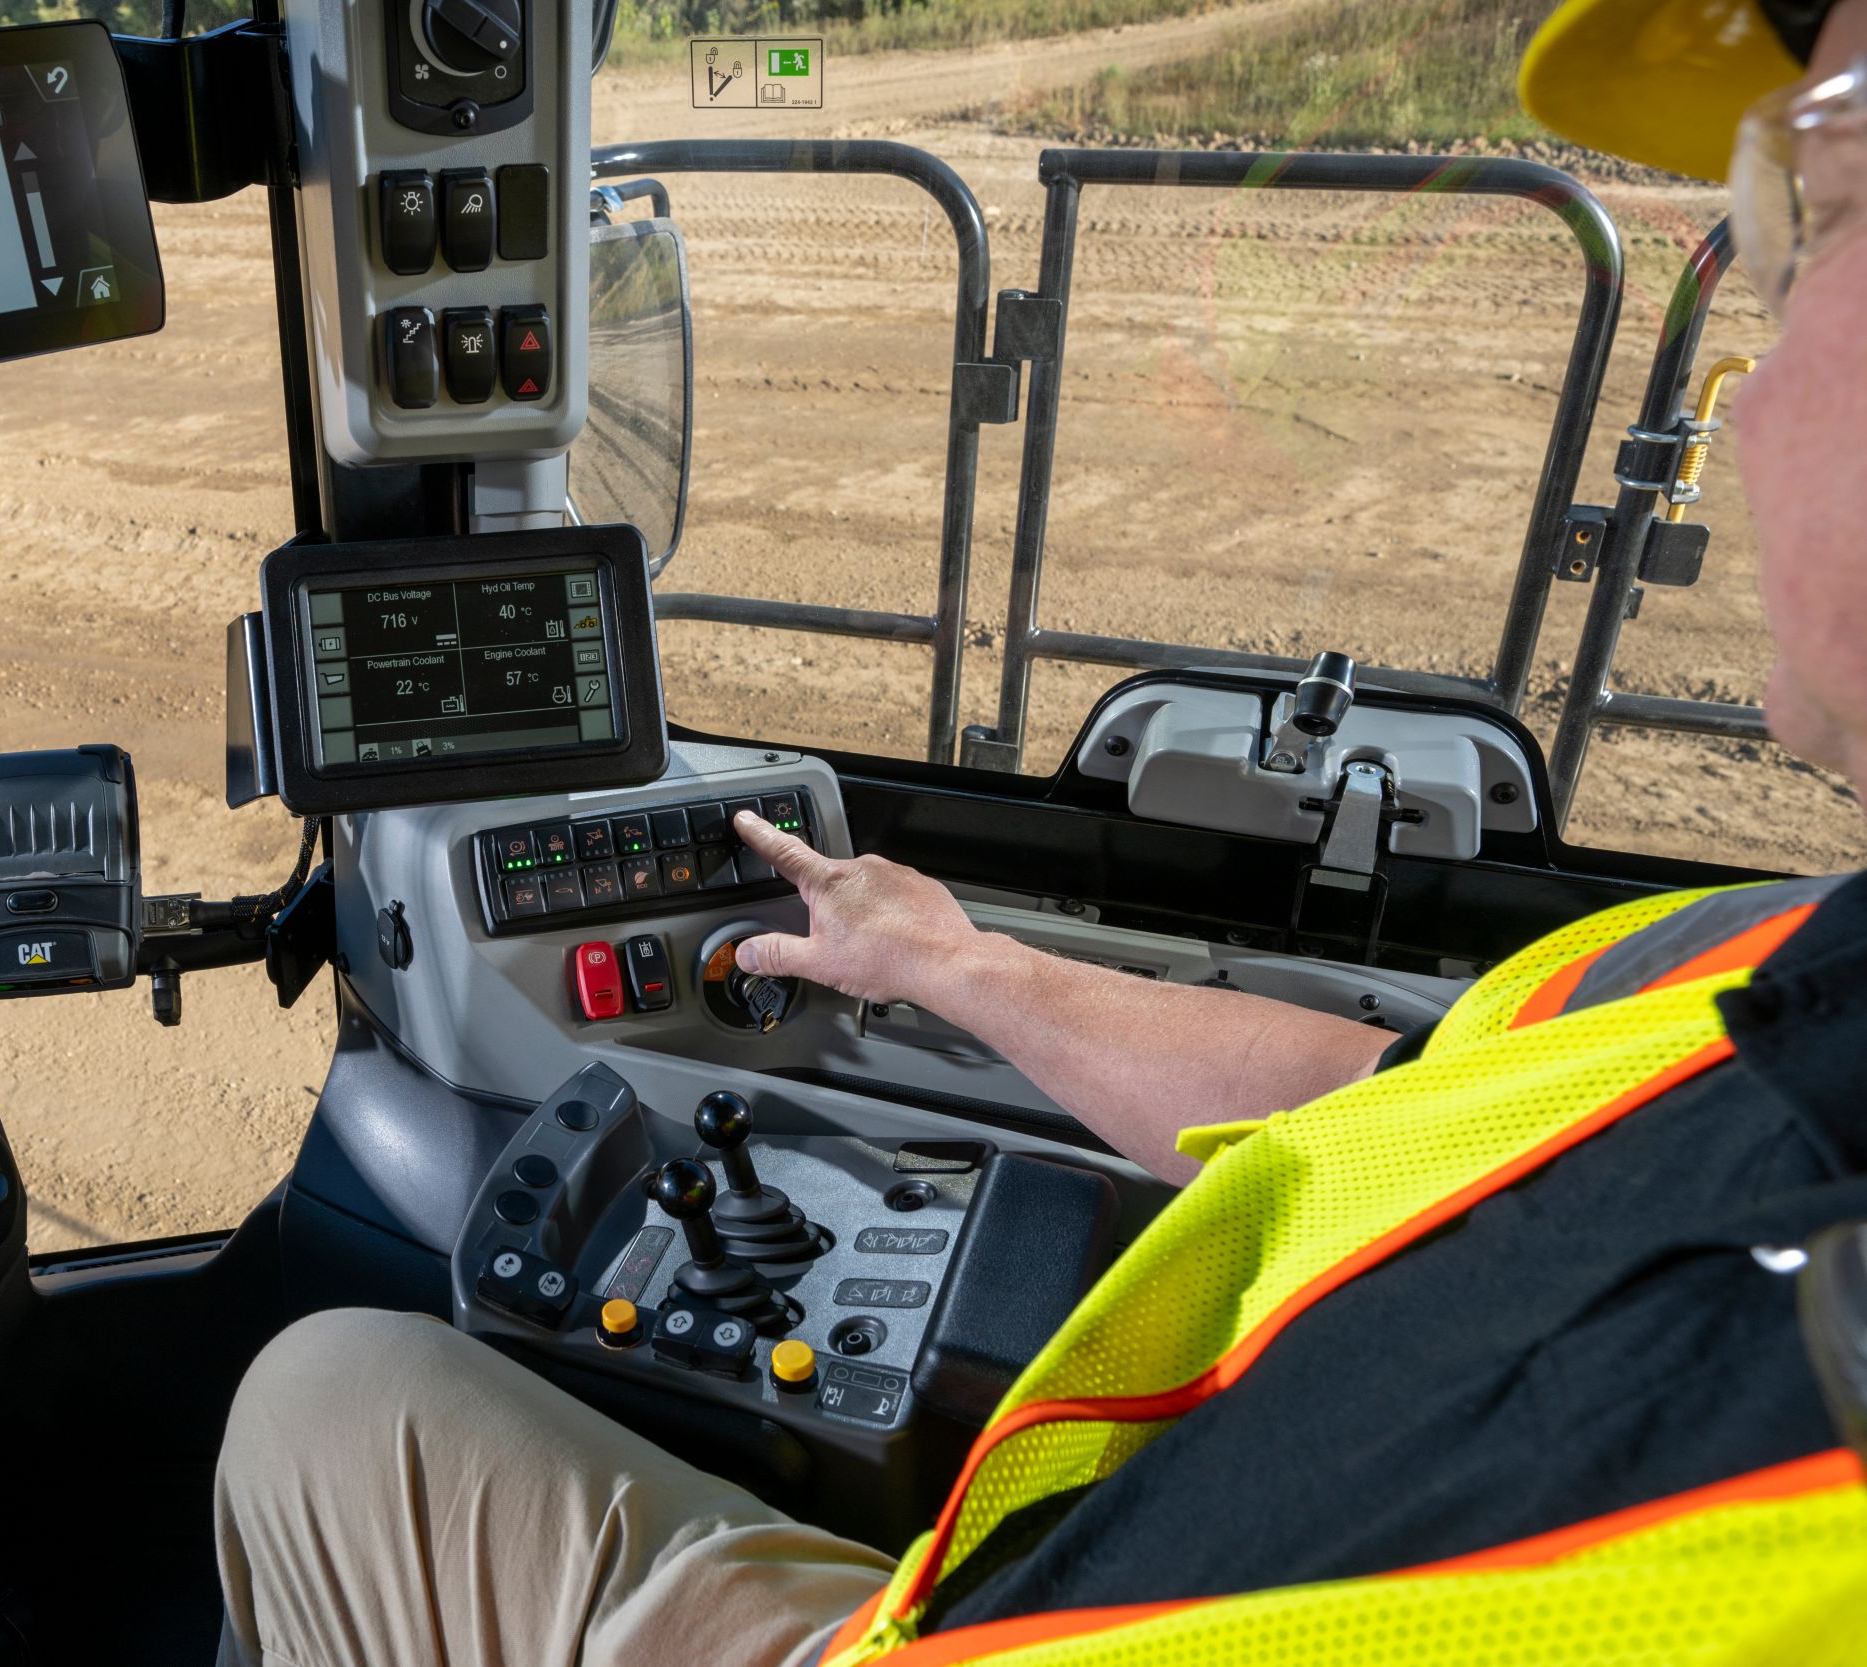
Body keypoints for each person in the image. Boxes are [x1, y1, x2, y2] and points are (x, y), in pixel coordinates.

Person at [214, 0, 1867, 1660]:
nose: (1758, 357)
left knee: (320, 1395)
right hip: (1042, 1557)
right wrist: (965, 967)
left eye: (1819, 209)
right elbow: (1375, 1103)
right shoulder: (1743, 965)